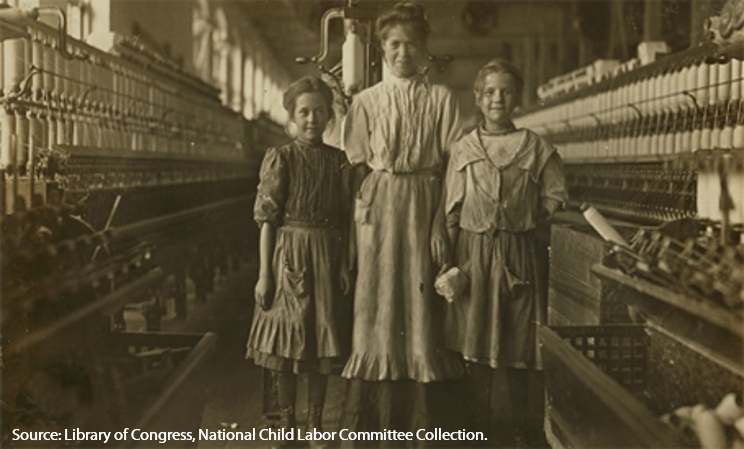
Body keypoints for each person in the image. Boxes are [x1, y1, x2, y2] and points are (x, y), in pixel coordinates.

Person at [341, 2, 464, 443]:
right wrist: (356, 233)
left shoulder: (442, 99)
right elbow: (357, 169)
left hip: (424, 201)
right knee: (376, 299)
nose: (403, 52)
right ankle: (370, 417)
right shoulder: (365, 102)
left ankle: (421, 420)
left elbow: (450, 168)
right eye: (394, 44)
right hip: (377, 204)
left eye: (412, 44)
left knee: (419, 297)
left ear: (425, 48)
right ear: (381, 47)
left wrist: (437, 224)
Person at [443, 59, 568, 446]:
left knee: (518, 345)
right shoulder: (462, 149)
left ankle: (521, 430)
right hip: (472, 255)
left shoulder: (536, 147)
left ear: (517, 98)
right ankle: (478, 428)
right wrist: (449, 263)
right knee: (474, 342)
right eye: (490, 92)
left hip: (519, 256)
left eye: (507, 91)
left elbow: (556, 196)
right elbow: (451, 211)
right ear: (478, 98)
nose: (498, 98)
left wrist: (531, 217)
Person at [246, 76, 352, 446]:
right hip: (287, 257)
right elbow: (267, 220)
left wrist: (341, 264)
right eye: (304, 112)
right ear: (292, 116)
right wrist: (264, 275)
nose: (312, 119)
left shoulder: (339, 162)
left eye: (319, 111)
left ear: (329, 117)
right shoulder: (281, 158)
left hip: (325, 256)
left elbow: (343, 221)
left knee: (319, 344)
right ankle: (289, 422)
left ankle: (315, 424)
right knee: (286, 345)